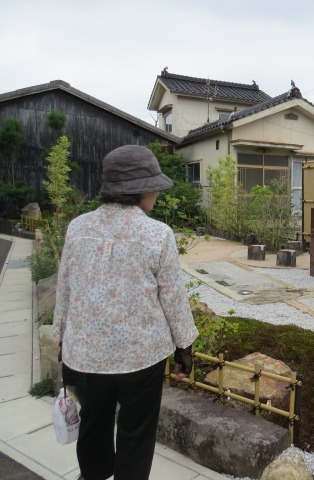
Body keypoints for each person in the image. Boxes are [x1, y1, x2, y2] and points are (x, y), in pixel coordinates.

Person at [52, 145, 199, 480]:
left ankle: (93, 476)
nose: (158, 193)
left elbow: (66, 289)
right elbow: (174, 299)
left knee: (93, 424)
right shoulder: (158, 234)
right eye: (155, 186)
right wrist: (184, 349)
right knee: (136, 433)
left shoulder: (77, 228)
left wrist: (62, 338)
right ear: (143, 189)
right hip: (141, 359)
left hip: (86, 356)